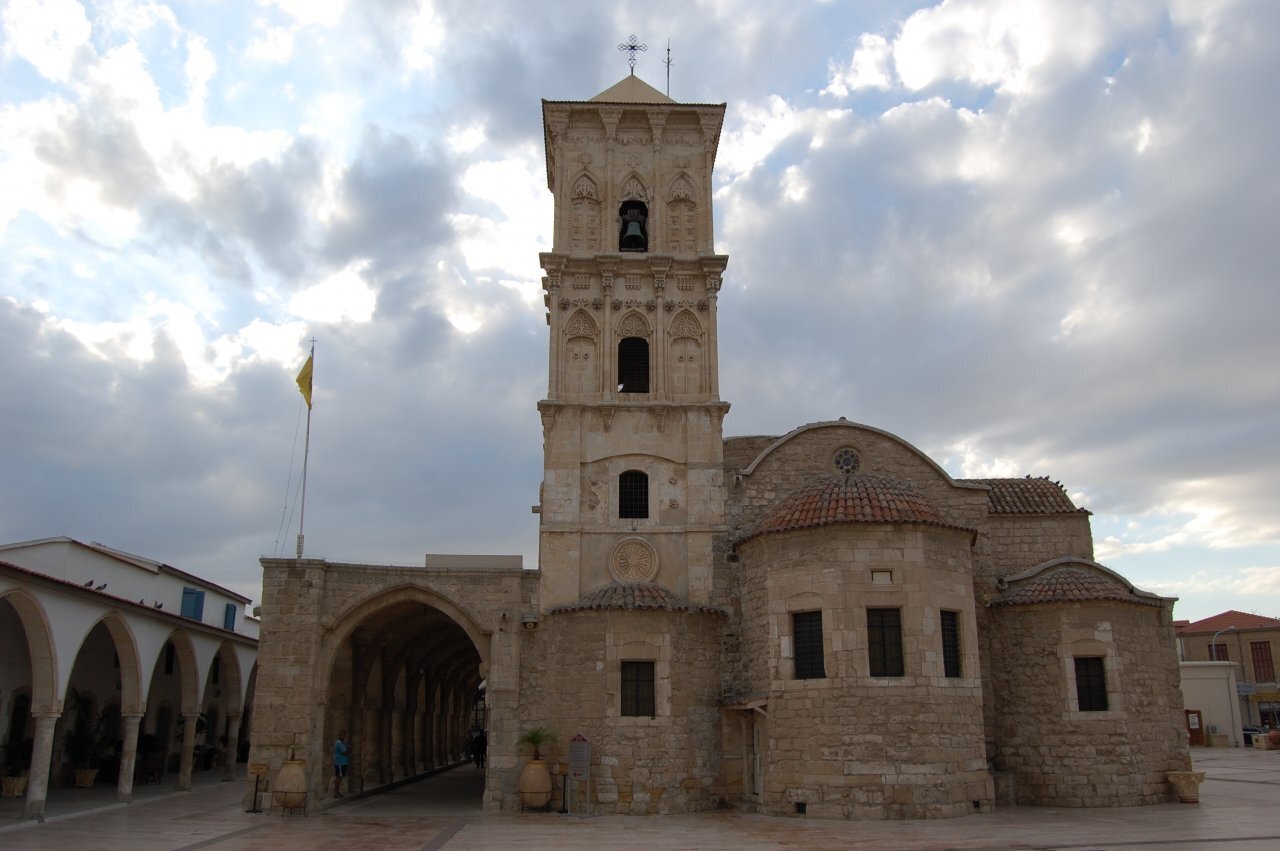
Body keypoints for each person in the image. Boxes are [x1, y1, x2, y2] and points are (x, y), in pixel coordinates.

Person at [333, 730, 349, 798]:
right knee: (338, 777)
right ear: (339, 735)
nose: (343, 736)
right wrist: (348, 749)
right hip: (339, 763)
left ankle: (337, 792)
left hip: (343, 763)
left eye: (344, 735)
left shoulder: (342, 743)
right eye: (342, 735)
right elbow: (344, 752)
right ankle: (335, 793)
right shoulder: (338, 743)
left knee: (340, 777)